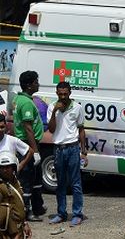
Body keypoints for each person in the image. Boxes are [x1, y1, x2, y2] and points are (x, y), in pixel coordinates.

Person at [46, 81, 86, 226]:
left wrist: (84, 151)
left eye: (65, 93)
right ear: (56, 93)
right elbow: (51, 130)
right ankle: (61, 213)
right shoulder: (52, 107)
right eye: (60, 93)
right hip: (58, 149)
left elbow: (81, 129)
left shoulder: (77, 107)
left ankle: (77, 214)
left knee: (75, 183)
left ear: (70, 93)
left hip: (73, 148)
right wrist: (55, 112)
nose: (63, 96)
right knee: (60, 183)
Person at [13, 70, 45, 221]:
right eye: (35, 82)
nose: (38, 84)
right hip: (28, 145)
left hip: (29, 143)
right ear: (29, 85)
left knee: (36, 179)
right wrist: (35, 151)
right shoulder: (25, 103)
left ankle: (38, 207)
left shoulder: (22, 99)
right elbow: (28, 128)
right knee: (27, 180)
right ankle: (26, 211)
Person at [0, 151, 29, 239]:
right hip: (6, 232)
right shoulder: (1, 186)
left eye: (8, 167)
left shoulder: (15, 182)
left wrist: (25, 224)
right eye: (2, 167)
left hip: (18, 229)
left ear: (13, 168)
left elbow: (19, 204)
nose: (5, 170)